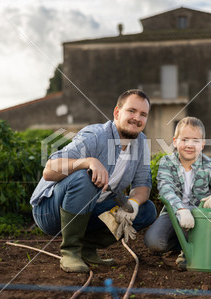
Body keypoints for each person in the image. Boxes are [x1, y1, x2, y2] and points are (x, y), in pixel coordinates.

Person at [30, 89, 157, 273]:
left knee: (147, 210)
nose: (137, 118)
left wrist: (134, 204)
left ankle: (87, 248)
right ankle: (70, 251)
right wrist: (88, 161)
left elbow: (143, 186)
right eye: (132, 111)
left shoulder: (141, 143)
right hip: (51, 211)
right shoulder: (96, 135)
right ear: (117, 112)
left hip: (90, 211)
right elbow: (49, 170)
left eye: (143, 114)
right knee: (85, 176)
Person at [144, 117, 211, 269]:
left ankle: (192, 251)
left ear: (202, 144)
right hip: (173, 214)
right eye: (185, 139)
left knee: (195, 213)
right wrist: (180, 209)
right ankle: (183, 245)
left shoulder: (210, 166)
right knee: (153, 241)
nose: (189, 145)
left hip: (200, 217)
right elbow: (166, 189)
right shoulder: (167, 163)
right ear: (175, 141)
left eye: (195, 140)